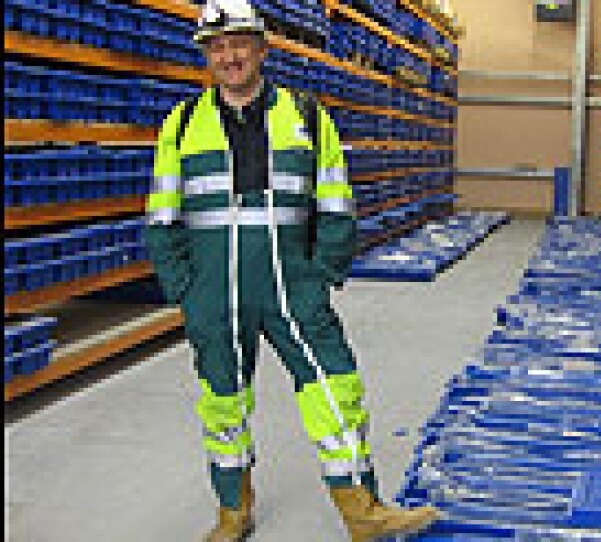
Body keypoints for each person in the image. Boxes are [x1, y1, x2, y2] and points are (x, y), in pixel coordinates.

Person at [144, 0, 439, 540]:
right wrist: (183, 289)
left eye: (238, 43)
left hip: (292, 281)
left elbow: (335, 202)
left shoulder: (306, 116)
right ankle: (233, 511)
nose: (229, 56)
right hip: (214, 290)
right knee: (222, 402)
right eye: (217, 46)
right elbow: (162, 216)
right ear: (207, 56)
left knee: (335, 386)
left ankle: (362, 510)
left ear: (261, 47)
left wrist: (323, 274)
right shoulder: (181, 125)